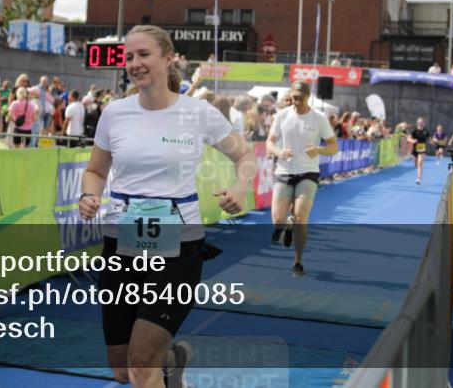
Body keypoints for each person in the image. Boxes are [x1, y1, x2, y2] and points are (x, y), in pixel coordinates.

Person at [78, 25, 256, 388]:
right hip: (121, 246)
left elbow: (245, 155)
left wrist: (241, 185)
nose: (135, 63)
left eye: (144, 54)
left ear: (168, 58)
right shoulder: (115, 113)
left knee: (142, 363)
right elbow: (95, 171)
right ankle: (173, 364)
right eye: (129, 56)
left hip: (178, 249)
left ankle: (160, 364)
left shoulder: (198, 113)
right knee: (121, 367)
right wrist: (88, 196)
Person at [266, 81, 339, 277]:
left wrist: (319, 150)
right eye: (294, 97)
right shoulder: (282, 115)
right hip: (284, 171)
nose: (297, 101)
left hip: (308, 172)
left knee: (301, 217)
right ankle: (286, 225)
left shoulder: (319, 118)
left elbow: (334, 146)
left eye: (301, 97)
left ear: (308, 97)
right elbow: (269, 142)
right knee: (277, 220)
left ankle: (298, 261)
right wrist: (279, 152)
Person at [407, 117, 431, 185]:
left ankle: (419, 178)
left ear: (423, 123)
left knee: (420, 163)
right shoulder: (414, 131)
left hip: (422, 149)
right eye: (419, 122)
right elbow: (408, 138)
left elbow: (430, 138)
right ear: (417, 123)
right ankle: (418, 171)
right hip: (415, 149)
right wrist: (412, 140)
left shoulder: (426, 131)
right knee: (416, 164)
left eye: (421, 122)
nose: (420, 124)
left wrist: (432, 141)